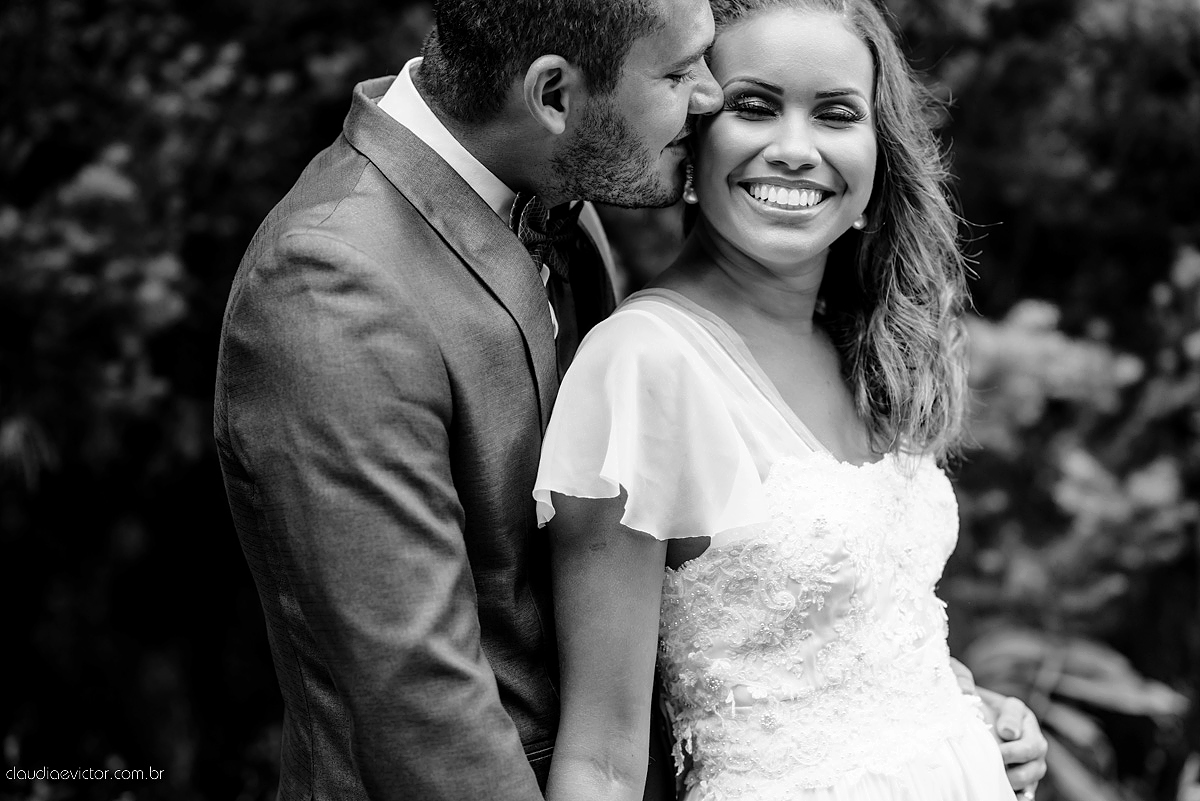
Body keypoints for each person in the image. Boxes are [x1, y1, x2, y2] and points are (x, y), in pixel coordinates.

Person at [534, 1, 1048, 800]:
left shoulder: (860, 340)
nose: (795, 148)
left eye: (836, 114)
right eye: (754, 106)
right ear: (691, 136)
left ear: (880, 158)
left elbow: (859, 641)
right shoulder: (643, 368)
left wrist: (975, 711)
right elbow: (601, 760)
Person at [212, 1, 723, 799]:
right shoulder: (329, 284)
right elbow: (419, 697)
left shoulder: (559, 199)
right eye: (680, 72)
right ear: (553, 95)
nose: (713, 96)